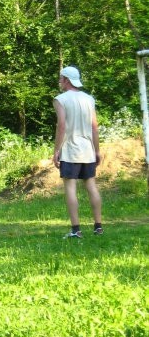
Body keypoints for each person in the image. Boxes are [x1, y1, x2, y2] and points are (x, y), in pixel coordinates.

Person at [53, 66, 103, 238]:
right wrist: (97, 150)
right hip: (87, 149)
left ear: (66, 79)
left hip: (70, 150)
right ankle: (98, 226)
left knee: (70, 187)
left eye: (61, 78)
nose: (59, 81)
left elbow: (61, 126)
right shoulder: (89, 99)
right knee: (91, 186)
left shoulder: (60, 99)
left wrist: (56, 150)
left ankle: (76, 230)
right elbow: (94, 127)